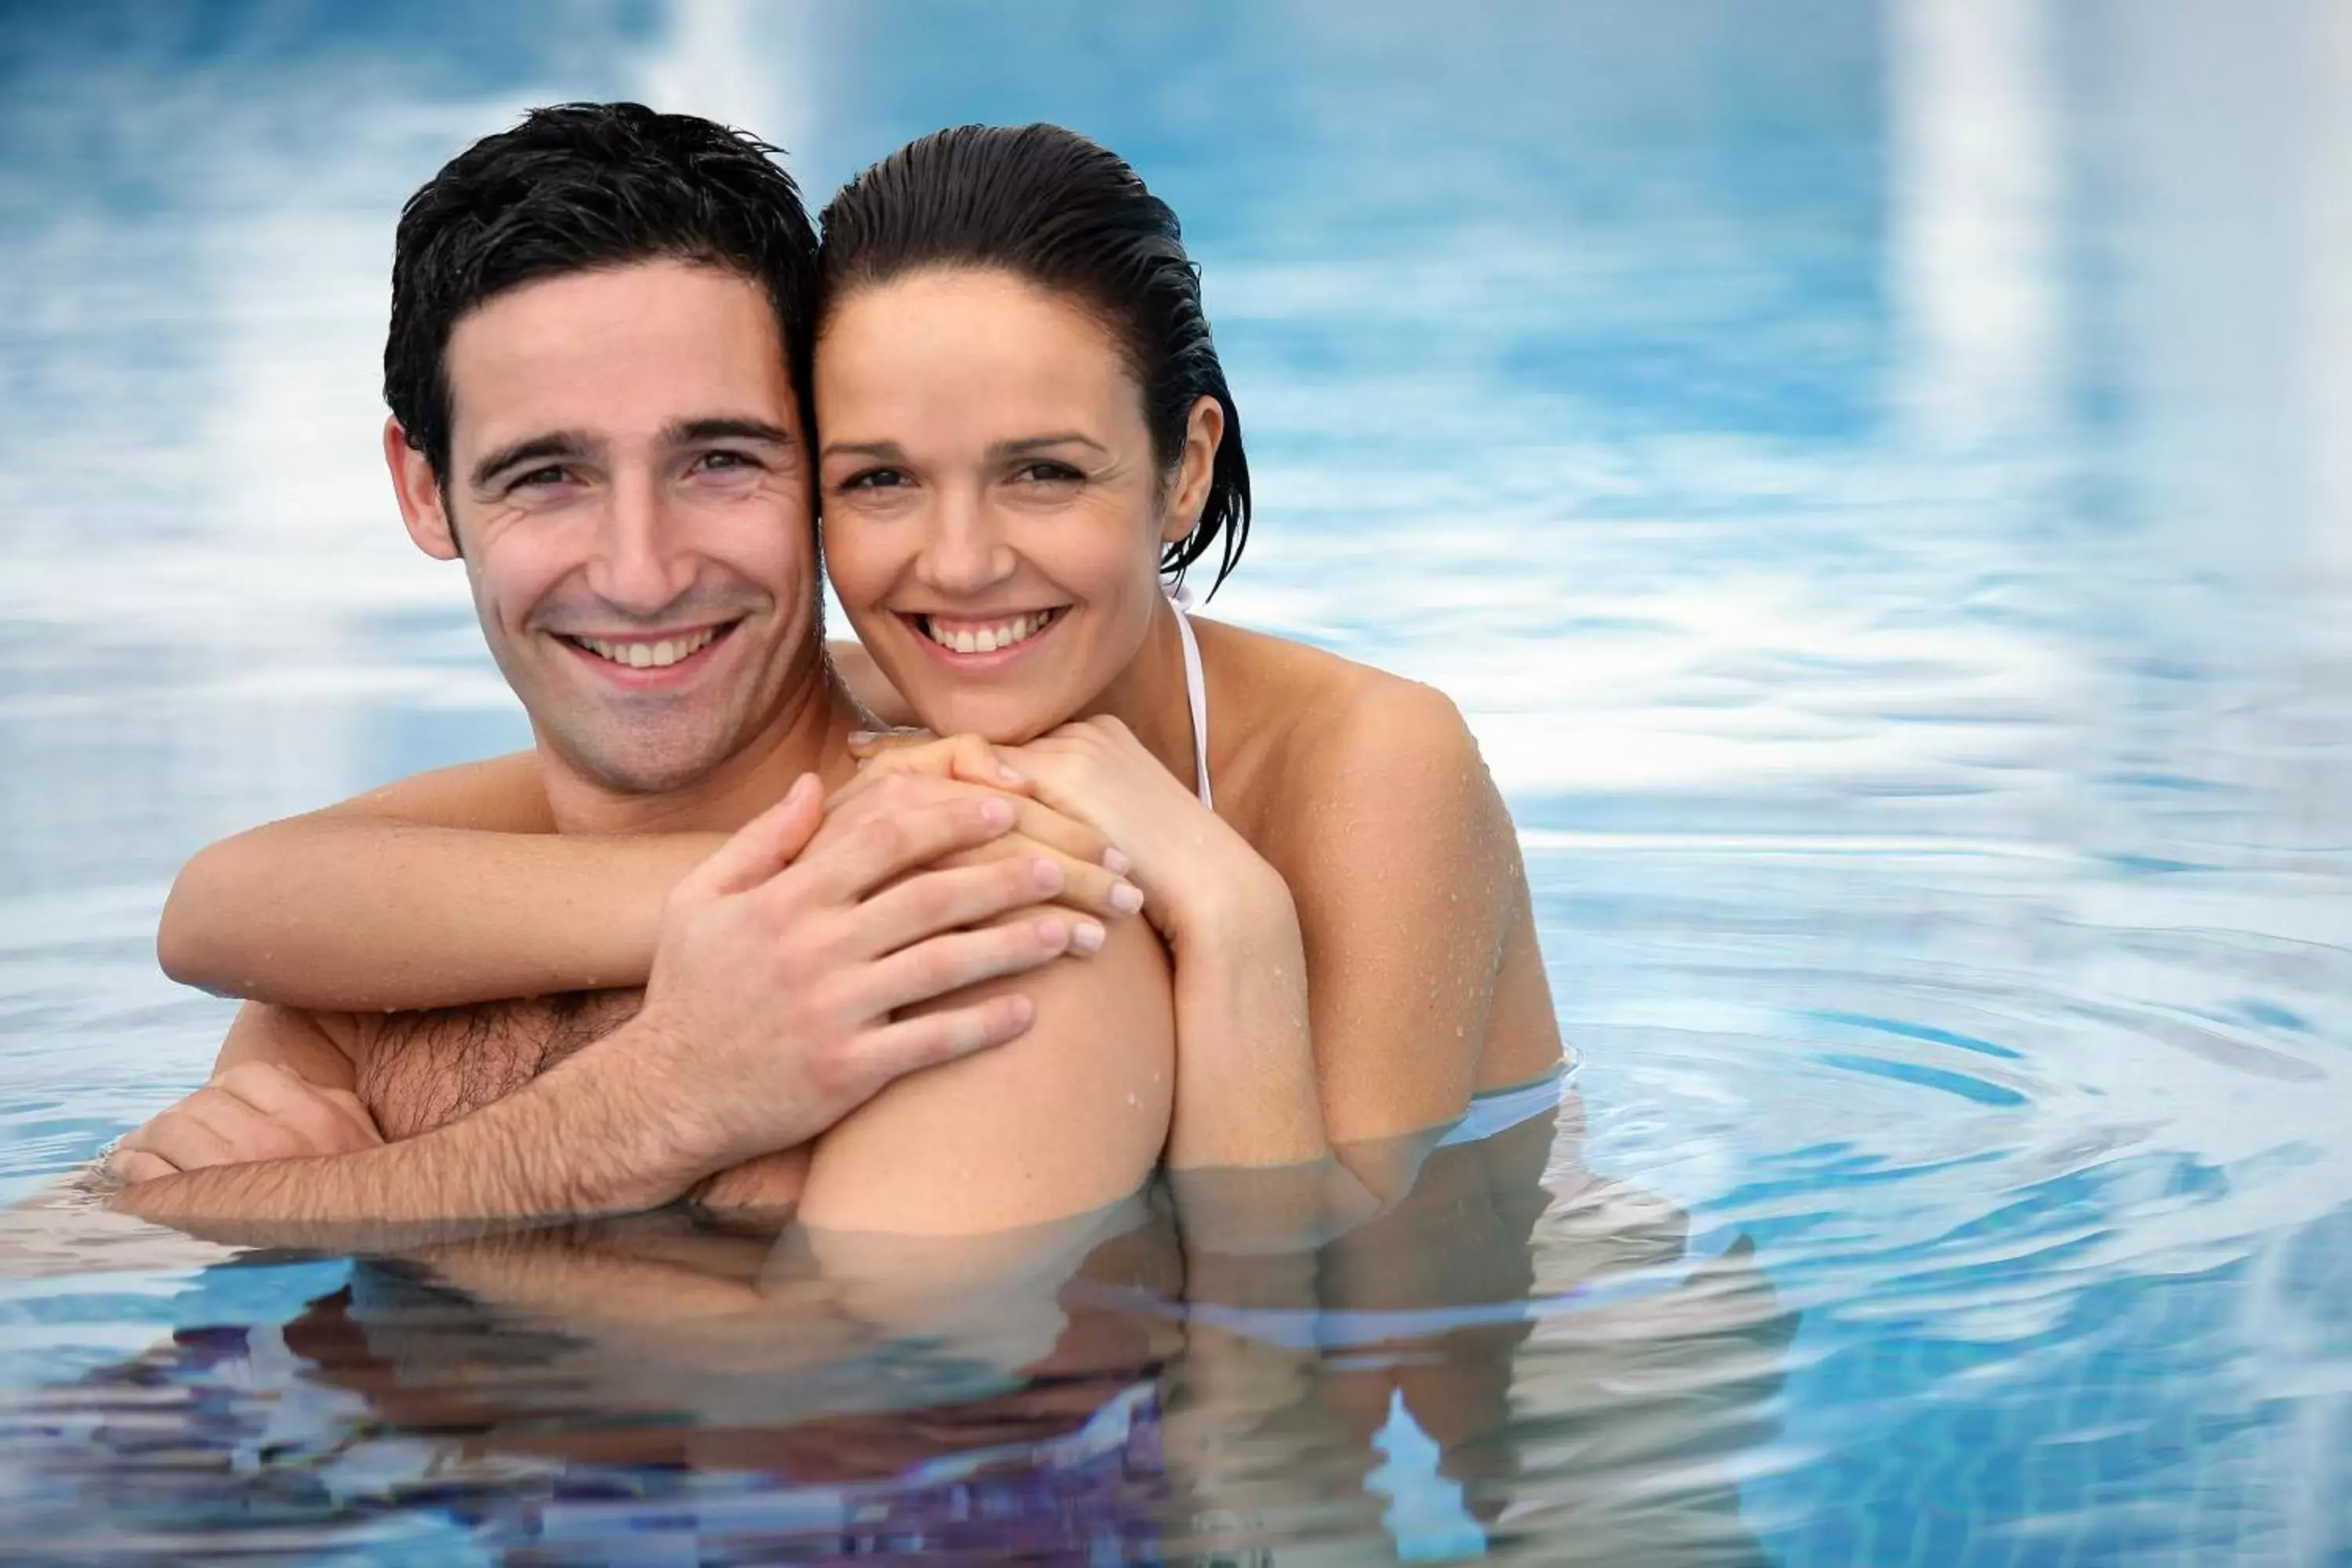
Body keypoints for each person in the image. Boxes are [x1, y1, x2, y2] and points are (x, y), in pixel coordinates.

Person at [141, 122, 1566, 1218]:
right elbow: (230, 904)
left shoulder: (1369, 761)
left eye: (1047, 472)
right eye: (882, 478)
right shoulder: (886, 714)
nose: (958, 566)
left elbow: (1327, 1297)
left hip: (1543, 1311)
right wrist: (778, 905)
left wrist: (1238, 918)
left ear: (1183, 465)